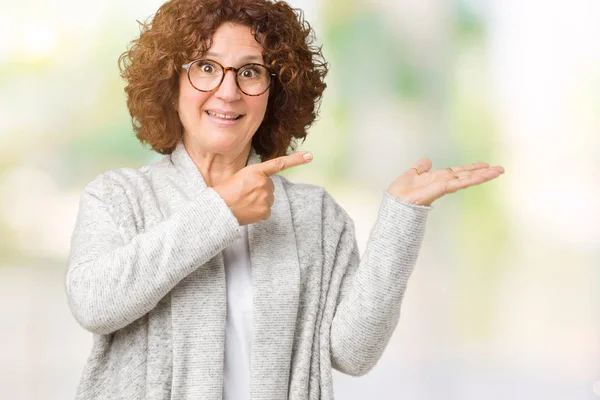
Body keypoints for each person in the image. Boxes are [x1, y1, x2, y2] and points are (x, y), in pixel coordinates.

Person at [65, 0, 505, 399]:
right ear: (171, 81)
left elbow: (353, 354)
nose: (228, 91)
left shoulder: (316, 216)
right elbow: (94, 304)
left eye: (250, 71)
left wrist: (401, 218)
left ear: (275, 91)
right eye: (205, 67)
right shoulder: (118, 198)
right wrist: (221, 212)